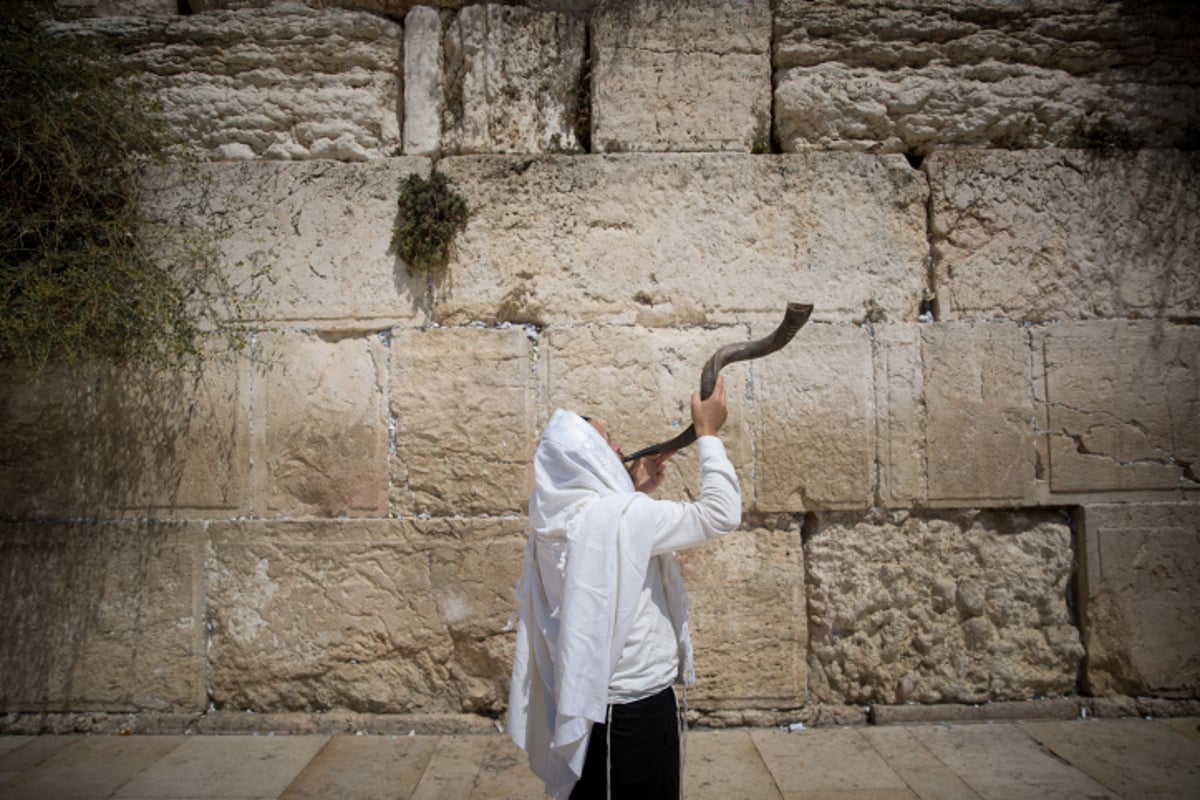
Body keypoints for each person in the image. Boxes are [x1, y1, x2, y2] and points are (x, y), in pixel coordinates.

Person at [507, 376, 741, 799]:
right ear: (586, 458)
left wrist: (632, 489)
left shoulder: (554, 516)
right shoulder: (624, 517)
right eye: (607, 443)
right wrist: (707, 434)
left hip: (590, 700)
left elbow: (599, 545)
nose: (617, 449)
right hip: (633, 709)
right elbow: (720, 514)